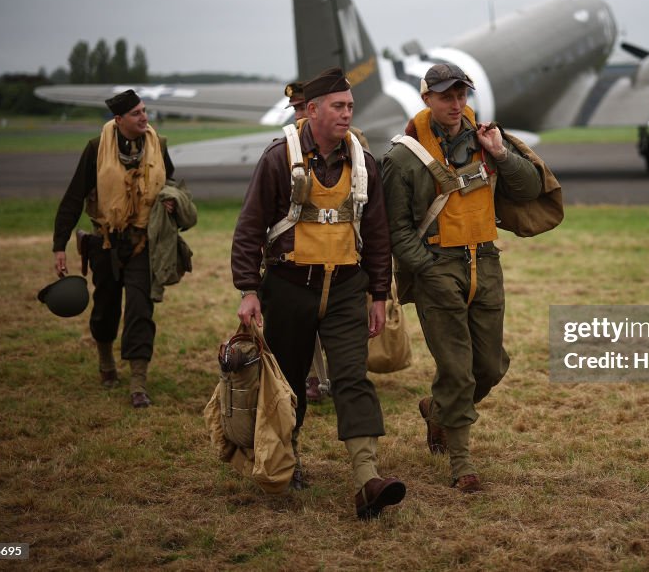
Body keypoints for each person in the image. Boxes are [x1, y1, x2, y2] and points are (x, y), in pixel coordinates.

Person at [231, 66, 406, 519]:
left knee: (352, 379)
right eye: (338, 106)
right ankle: (287, 461)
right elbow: (250, 228)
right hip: (290, 287)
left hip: (348, 287)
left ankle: (367, 478)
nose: (348, 114)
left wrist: (380, 295)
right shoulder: (277, 158)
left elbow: (378, 233)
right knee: (289, 384)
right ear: (311, 111)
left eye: (350, 106)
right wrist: (249, 289)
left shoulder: (365, 162)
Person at [381, 63, 542, 493]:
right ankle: (462, 464)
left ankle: (437, 413)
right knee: (457, 370)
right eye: (446, 96)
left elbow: (529, 189)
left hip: (485, 262)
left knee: (490, 367)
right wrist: (428, 268)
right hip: (438, 269)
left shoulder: (486, 140)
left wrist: (502, 153)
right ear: (427, 99)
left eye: (461, 95)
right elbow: (395, 228)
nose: (456, 104)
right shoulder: (402, 157)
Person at [52, 89, 175, 409]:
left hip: (142, 243)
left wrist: (175, 201)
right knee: (106, 307)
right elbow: (73, 198)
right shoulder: (95, 149)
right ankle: (106, 361)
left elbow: (172, 180)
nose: (144, 118)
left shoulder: (158, 145)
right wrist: (59, 246)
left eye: (145, 111)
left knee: (140, 309)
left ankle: (138, 382)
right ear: (118, 120)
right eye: (136, 114)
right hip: (105, 244)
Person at [285, 80, 331, 404]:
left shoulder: (351, 142)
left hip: (341, 245)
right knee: (307, 318)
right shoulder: (285, 146)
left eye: (303, 107)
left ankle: (339, 373)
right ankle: (315, 377)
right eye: (296, 109)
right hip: (302, 245)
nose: (299, 114)